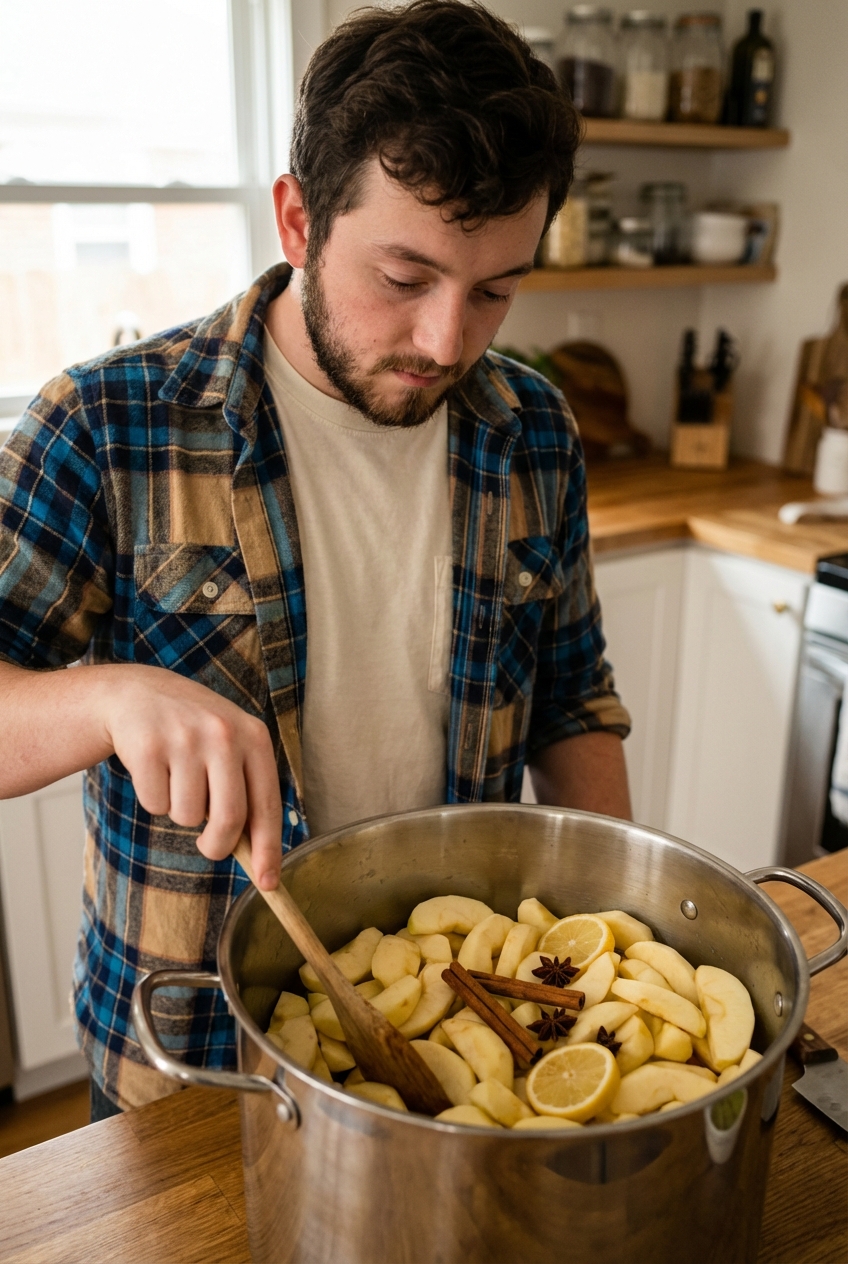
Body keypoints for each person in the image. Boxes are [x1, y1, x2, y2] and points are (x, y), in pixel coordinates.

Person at [0, 0, 630, 1120]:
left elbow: (570, 704)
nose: (447, 341)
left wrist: (609, 949)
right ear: (297, 220)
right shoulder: (107, 422)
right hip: (189, 1059)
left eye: (494, 290)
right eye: (403, 277)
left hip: (453, 1050)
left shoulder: (530, 426)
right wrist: (107, 697)